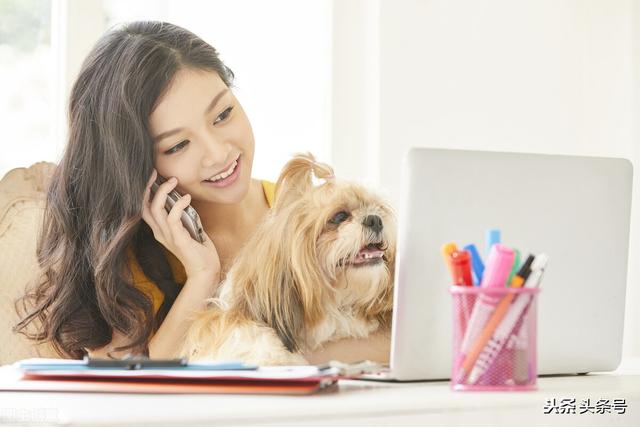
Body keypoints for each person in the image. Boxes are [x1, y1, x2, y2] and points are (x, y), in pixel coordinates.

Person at [14, 21, 390, 362]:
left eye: (223, 114)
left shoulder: (310, 217)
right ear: (137, 168)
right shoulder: (121, 260)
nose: (218, 153)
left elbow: (399, 341)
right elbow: (132, 386)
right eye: (178, 145)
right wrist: (202, 276)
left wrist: (282, 358)